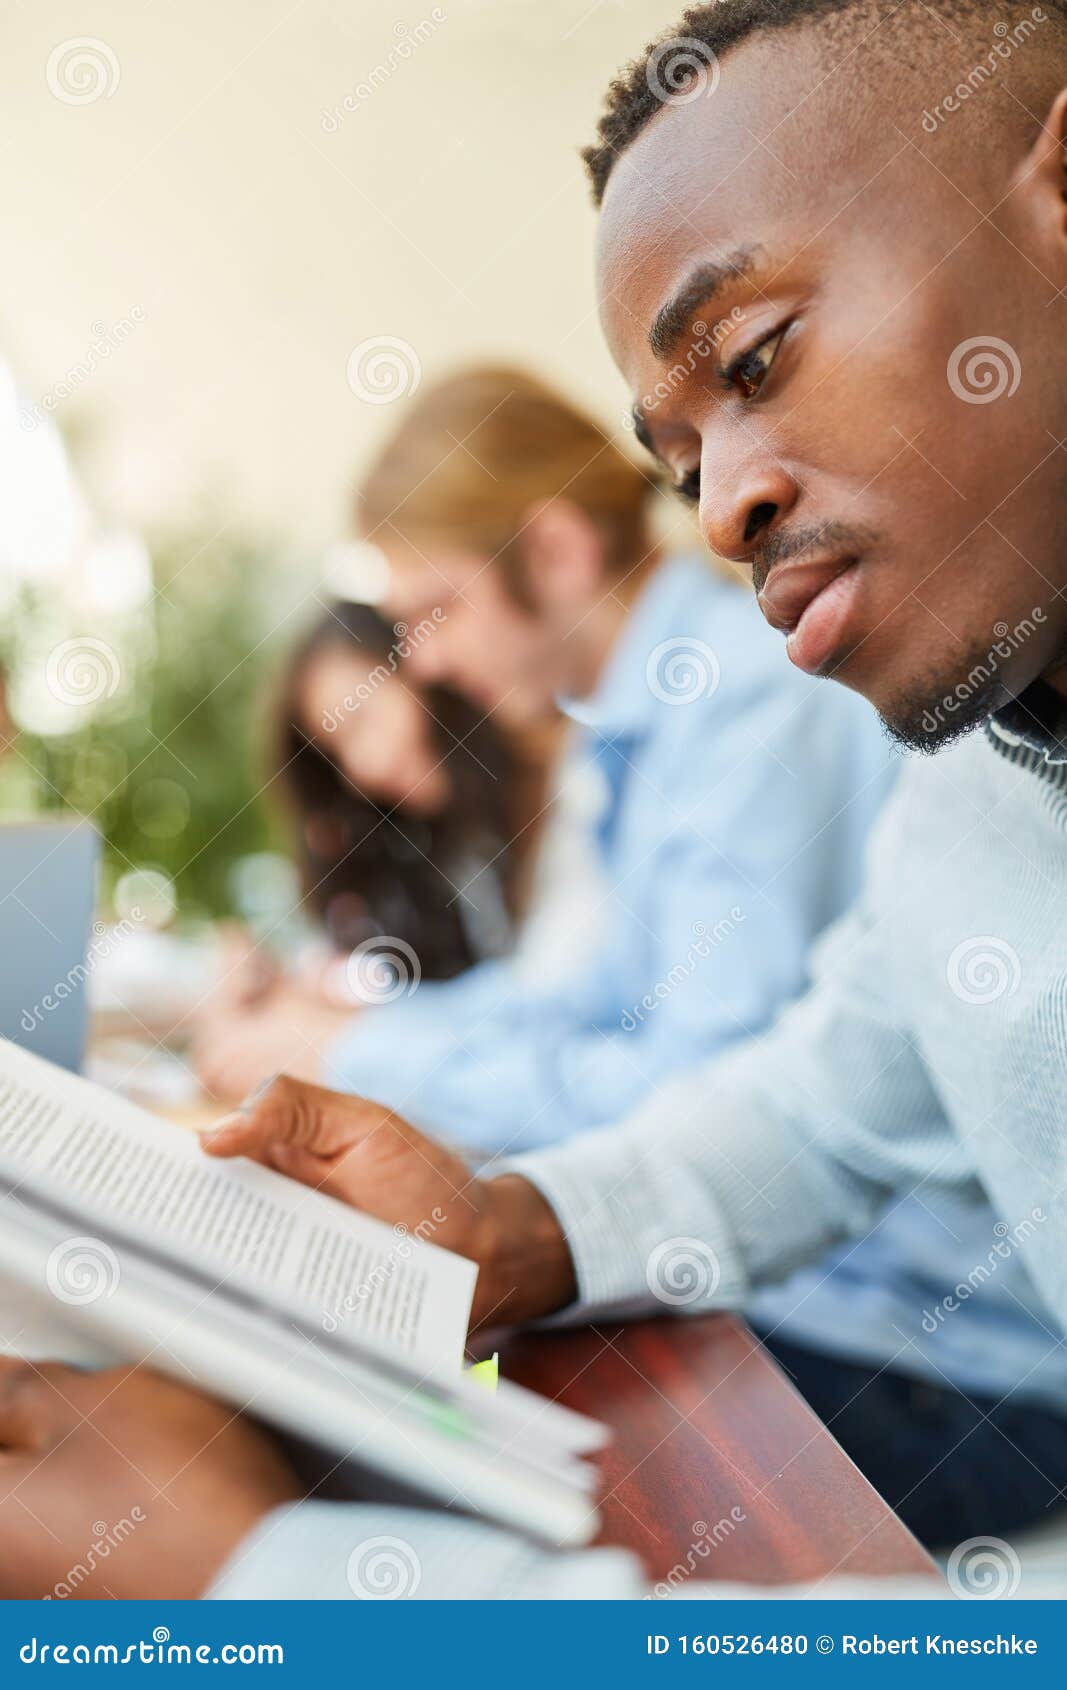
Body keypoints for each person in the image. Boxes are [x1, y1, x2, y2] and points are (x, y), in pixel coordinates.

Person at [5, 0, 1067, 1602]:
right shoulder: (973, 796)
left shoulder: (753, 710)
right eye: (677, 456)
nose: (719, 511)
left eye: (757, 360)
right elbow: (807, 1103)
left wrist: (275, 1572)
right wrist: (512, 1226)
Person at [260, 365, 898, 1151]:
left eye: (438, 610)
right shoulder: (633, 728)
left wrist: (349, 1056)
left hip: (863, 1273)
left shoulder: (743, 702)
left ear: (557, 553)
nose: (422, 666)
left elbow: (694, 1094)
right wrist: (351, 1028)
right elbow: (587, 999)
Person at [192, 600, 543, 1099]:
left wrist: (341, 1034)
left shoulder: (552, 793)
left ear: (422, 668)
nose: (362, 768)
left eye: (362, 719)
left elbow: (538, 1002)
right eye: (336, 753)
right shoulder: (442, 851)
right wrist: (287, 994)